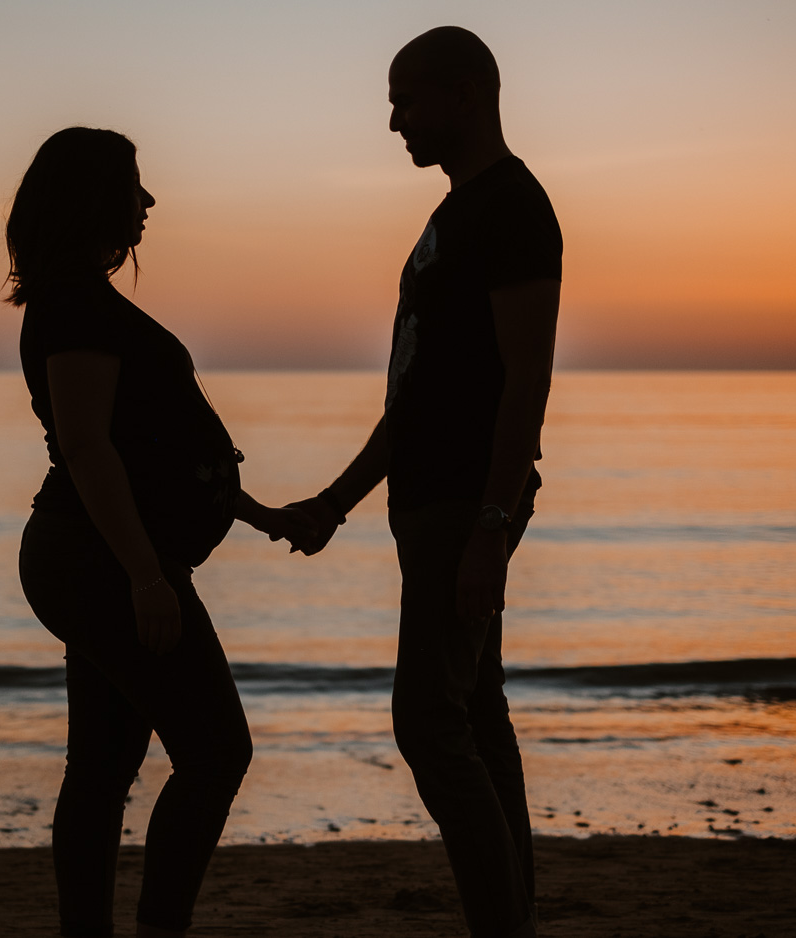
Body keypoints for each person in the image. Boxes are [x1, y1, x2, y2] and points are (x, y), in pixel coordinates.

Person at [286, 27, 562, 938]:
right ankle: (511, 914)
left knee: (429, 726)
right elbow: (418, 394)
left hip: (462, 507)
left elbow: (525, 379)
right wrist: (338, 501)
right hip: (432, 503)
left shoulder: (512, 209)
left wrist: (490, 525)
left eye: (406, 99)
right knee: (476, 717)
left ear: (462, 94)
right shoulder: (454, 215)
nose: (394, 120)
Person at [8, 126, 314, 938]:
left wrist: (259, 514)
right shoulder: (74, 305)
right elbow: (86, 446)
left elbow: (153, 452)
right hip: (100, 557)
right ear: (94, 198)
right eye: (133, 186)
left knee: (104, 769)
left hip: (98, 554)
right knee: (217, 754)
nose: (148, 201)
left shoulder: (83, 301)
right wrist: (146, 576)